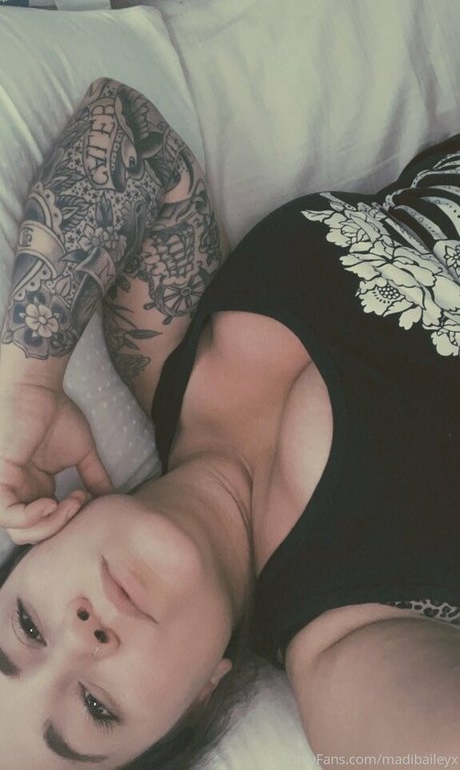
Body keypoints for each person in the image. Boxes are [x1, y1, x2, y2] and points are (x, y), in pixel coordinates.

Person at [0, 77, 459, 770]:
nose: (81, 636)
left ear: (39, 541)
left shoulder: (162, 343)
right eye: (96, 706)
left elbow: (127, 133)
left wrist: (31, 378)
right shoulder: (349, 643)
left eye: (28, 626)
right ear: (200, 700)